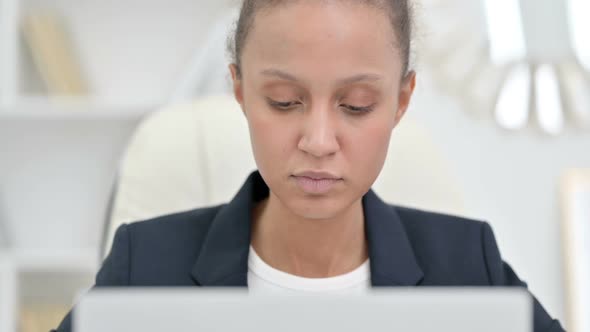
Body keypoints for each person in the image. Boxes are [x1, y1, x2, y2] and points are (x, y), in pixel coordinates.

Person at [54, 0, 565, 331]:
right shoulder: (144, 266)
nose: (318, 141)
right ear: (239, 89)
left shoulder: (469, 267)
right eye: (283, 100)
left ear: (402, 100)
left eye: (357, 104)